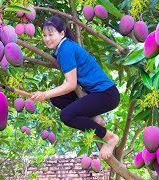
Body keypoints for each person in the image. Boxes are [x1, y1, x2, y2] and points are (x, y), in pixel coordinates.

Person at [30, 16, 120, 160]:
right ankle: (96, 118)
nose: (47, 39)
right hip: (95, 93)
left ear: (62, 33)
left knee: (67, 116)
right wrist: (48, 95)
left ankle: (110, 137)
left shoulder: (65, 49)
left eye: (51, 34)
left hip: (106, 95)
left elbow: (71, 84)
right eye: (45, 35)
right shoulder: (64, 47)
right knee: (57, 98)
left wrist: (45, 94)